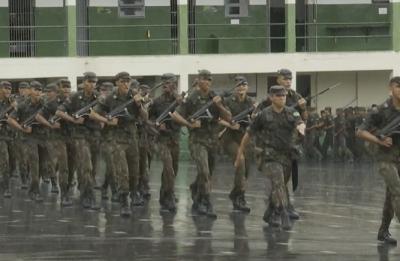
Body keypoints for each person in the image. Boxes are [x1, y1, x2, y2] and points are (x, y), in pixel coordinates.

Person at [235, 85, 305, 230]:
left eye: (284, 96)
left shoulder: (292, 113)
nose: (282, 98)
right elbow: (248, 134)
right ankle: (284, 213)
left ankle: (270, 211)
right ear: (271, 97)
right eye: (279, 96)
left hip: (286, 156)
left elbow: (300, 123)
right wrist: (240, 153)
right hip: (268, 156)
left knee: (278, 186)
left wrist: (301, 128)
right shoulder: (263, 115)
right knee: (278, 182)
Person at [171, 69, 232, 218]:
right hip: (197, 141)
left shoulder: (215, 97)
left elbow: (229, 117)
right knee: (204, 172)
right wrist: (189, 124)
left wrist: (219, 106)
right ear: (198, 80)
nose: (206, 82)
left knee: (207, 173)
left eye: (209, 80)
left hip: (212, 140)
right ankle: (205, 202)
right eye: (204, 79)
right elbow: (175, 115)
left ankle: (196, 192)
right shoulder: (192, 98)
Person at [90, 72, 147, 217]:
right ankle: (124, 202)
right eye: (123, 81)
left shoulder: (134, 96)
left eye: (128, 81)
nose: (126, 84)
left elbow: (144, 117)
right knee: (123, 171)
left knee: (134, 171)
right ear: (117, 82)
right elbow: (93, 113)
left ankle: (134, 194)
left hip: (132, 138)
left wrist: (139, 104)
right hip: (116, 139)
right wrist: (107, 120)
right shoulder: (110, 98)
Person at [356, 76, 400, 245]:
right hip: (386, 157)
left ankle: (383, 231)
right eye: (398, 87)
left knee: (391, 195)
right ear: (391, 88)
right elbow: (360, 132)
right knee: (397, 190)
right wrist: (379, 140)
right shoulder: (381, 110)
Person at [55, 72, 99, 210]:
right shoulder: (75, 97)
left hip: (95, 136)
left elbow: (107, 113)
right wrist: (73, 119)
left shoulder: (99, 98)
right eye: (90, 81)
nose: (92, 84)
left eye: (94, 82)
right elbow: (59, 112)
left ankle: (84, 193)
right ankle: (85, 197)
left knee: (92, 169)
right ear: (84, 82)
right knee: (85, 167)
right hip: (79, 136)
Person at [219, 77, 254, 212]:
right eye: (238, 85)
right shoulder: (227, 102)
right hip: (230, 138)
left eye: (244, 85)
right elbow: (219, 119)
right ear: (235, 87)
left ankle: (235, 193)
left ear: (247, 87)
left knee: (246, 171)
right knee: (241, 163)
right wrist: (230, 125)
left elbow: (256, 118)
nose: (241, 87)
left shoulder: (251, 102)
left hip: (245, 138)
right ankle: (240, 198)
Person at [149, 73, 182, 212]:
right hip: (162, 139)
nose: (165, 85)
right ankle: (169, 197)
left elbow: (187, 116)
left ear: (175, 85)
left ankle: (164, 195)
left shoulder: (180, 101)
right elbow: (148, 119)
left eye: (168, 82)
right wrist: (157, 126)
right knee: (168, 167)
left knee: (173, 169)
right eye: (163, 82)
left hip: (175, 138)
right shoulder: (157, 102)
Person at [8, 81, 45, 202]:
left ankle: (32, 188)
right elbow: (10, 119)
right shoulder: (23, 105)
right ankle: (35, 192)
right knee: (34, 164)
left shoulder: (45, 104)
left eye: (40, 90)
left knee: (42, 165)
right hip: (29, 138)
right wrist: (21, 128)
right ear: (29, 91)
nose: (38, 92)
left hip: (44, 138)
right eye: (35, 89)